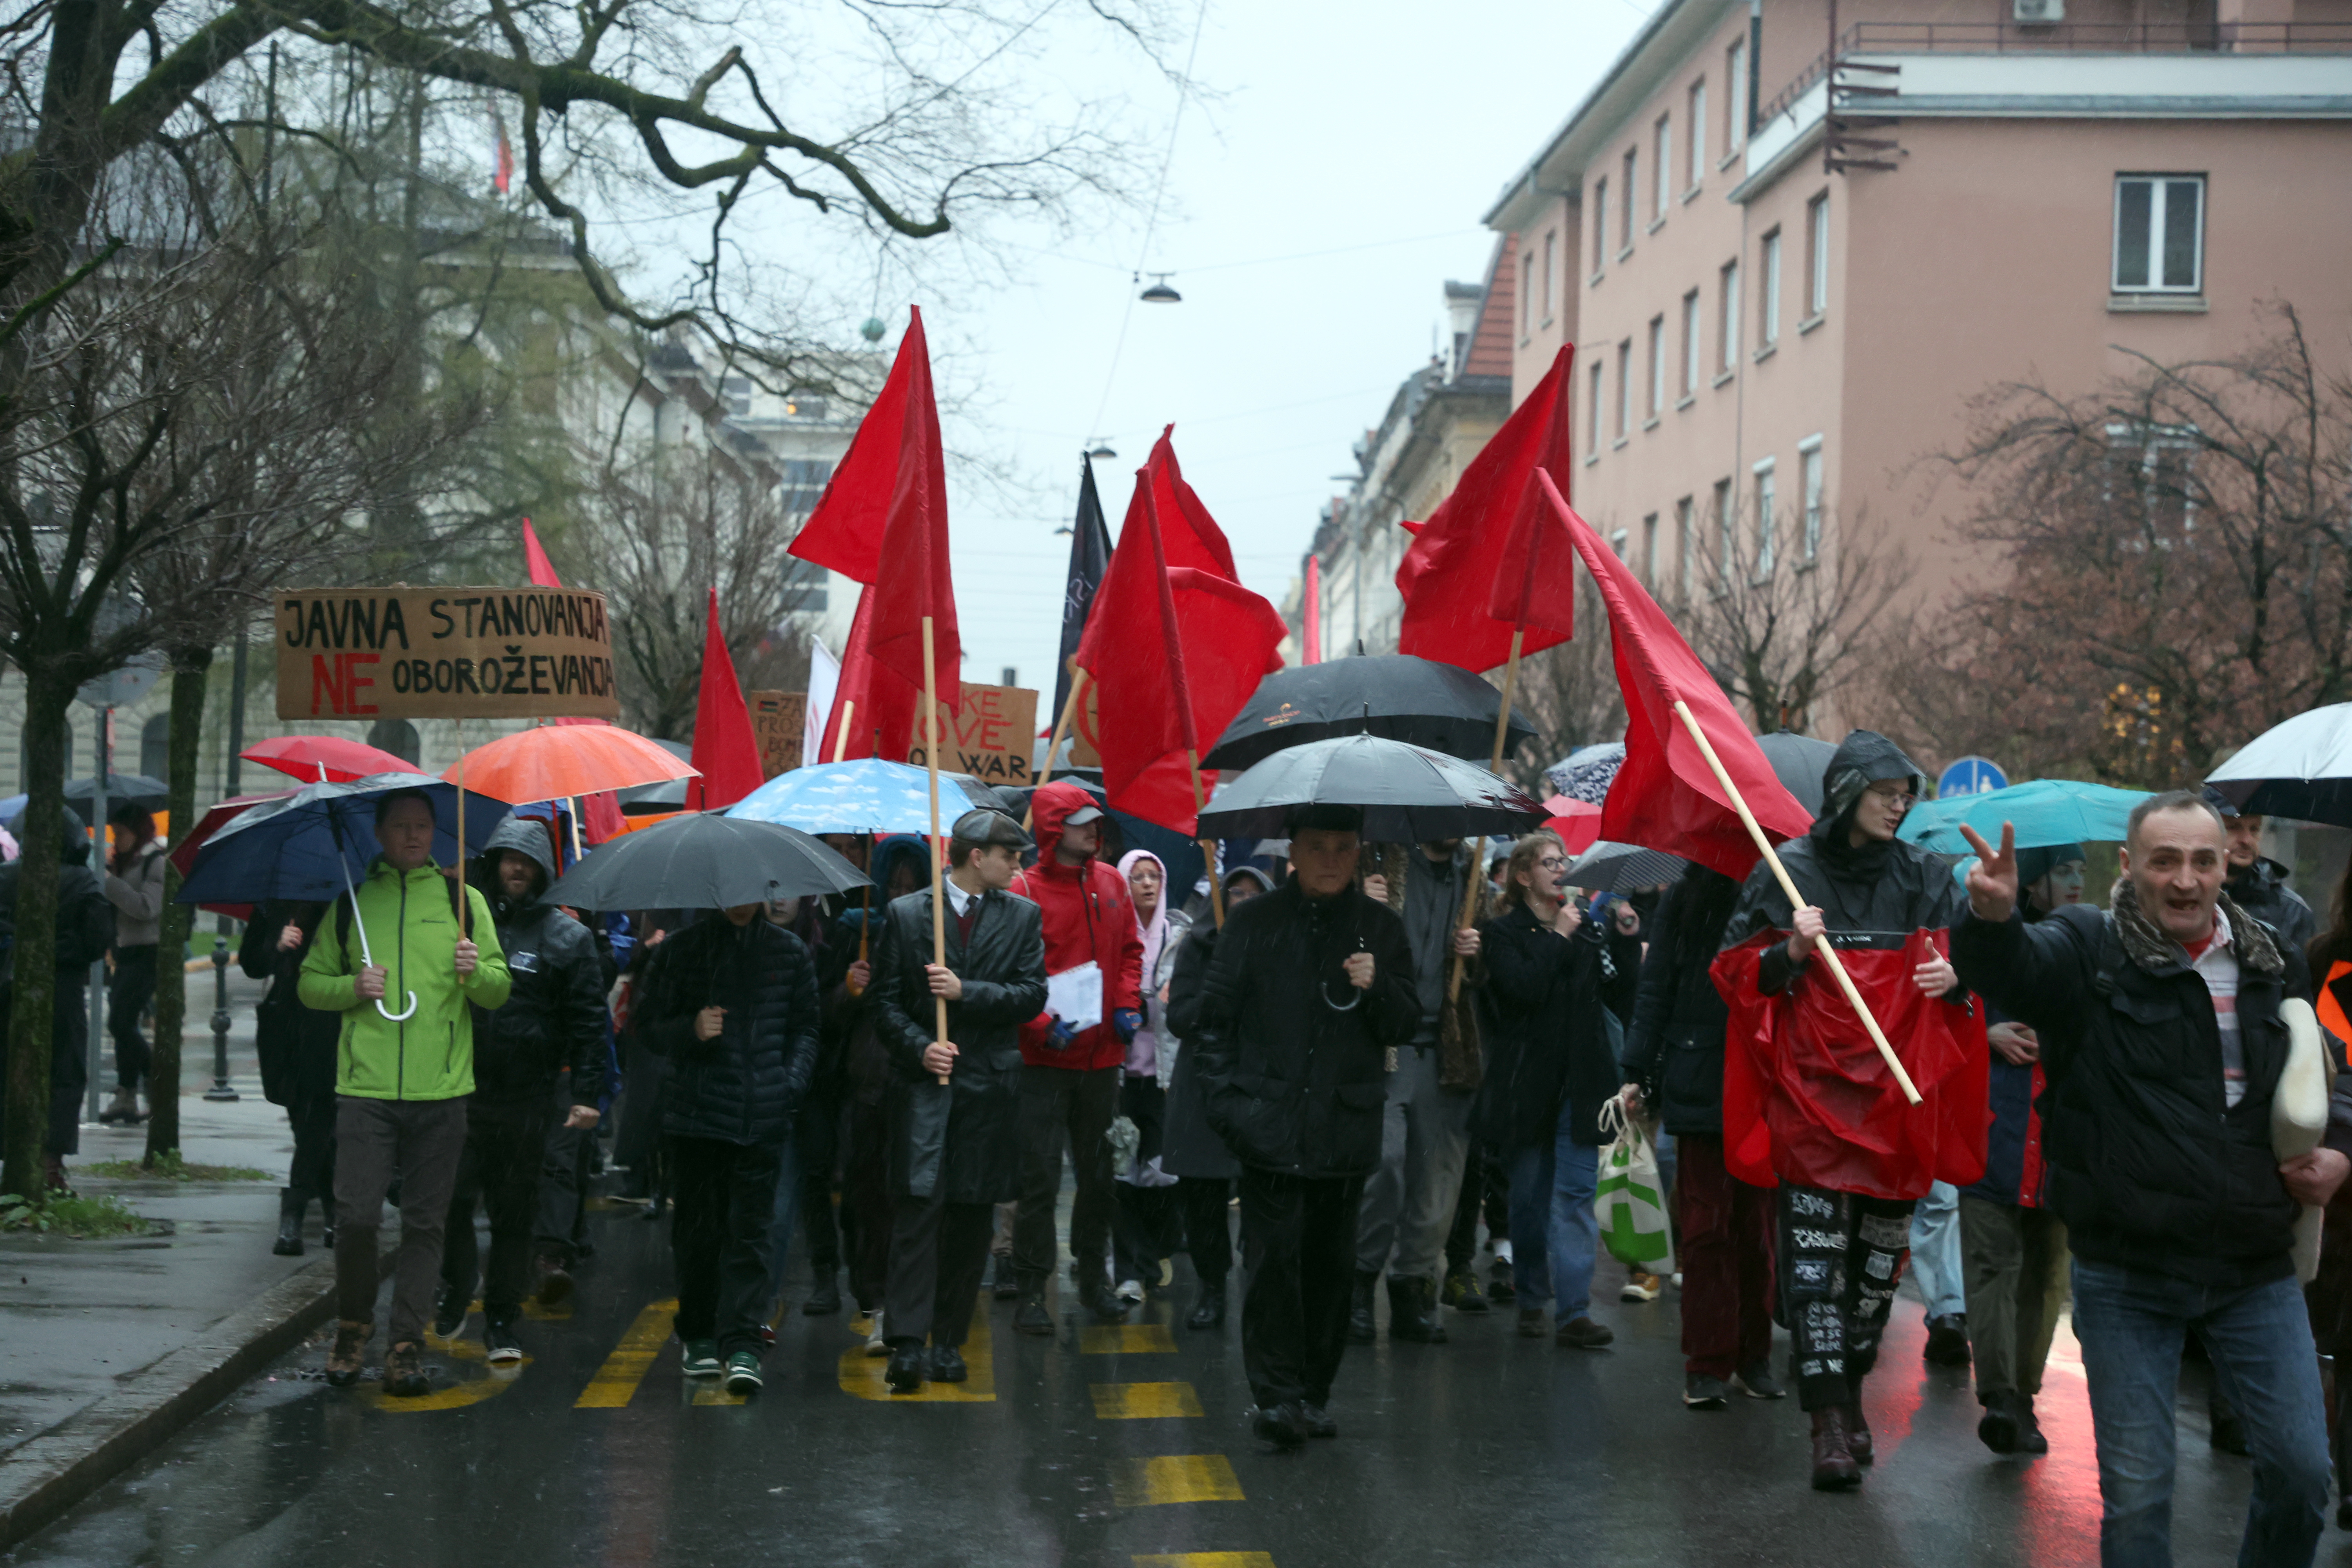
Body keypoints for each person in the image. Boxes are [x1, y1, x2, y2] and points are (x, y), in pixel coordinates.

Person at [1954, 793, 2345, 1565]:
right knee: (2138, 1499)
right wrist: (1991, 920)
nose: (2185, 880)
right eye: (2165, 861)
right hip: (2127, 1273)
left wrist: (2340, 1147)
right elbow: (2015, 971)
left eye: (2202, 861)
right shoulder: (2088, 945)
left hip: (2254, 1267)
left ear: (2225, 865)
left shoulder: (2273, 957)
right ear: (2130, 866)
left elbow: (2331, 1065)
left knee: (2303, 1476)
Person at [1717, 730, 1971, 1491]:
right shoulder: (1788, 872)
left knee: (1874, 1275)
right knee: (1814, 1267)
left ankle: (1853, 1387)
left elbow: (1976, 975)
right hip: (1812, 1103)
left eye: (1906, 795)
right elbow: (1735, 975)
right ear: (1847, 792)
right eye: (1887, 792)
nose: (1900, 806)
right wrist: (1788, 953)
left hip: (1897, 1107)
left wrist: (1957, 981)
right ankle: (1827, 1422)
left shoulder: (1928, 876)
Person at [1191, 804, 1417, 1448]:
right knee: (1271, 1265)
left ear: (1359, 852)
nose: (1331, 859)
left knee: (1329, 1268)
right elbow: (1214, 1022)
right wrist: (1230, 1108)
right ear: (1292, 852)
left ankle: (1315, 1391)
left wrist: (1377, 985)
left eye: (1343, 847)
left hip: (1345, 1129)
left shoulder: (1379, 927)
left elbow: (1406, 1023)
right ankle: (1277, 1394)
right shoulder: (1253, 922)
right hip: (1268, 1126)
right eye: (1317, 846)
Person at [299, 789, 511, 1398]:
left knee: (426, 1223)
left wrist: (476, 972)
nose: (413, 836)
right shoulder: (351, 905)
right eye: (401, 826)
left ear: (435, 832)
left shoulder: (462, 901)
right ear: (380, 833)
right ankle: (353, 1325)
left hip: (441, 1090)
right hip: (365, 1089)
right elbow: (310, 986)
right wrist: (352, 987)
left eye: (423, 826)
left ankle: (405, 1344)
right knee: (356, 1218)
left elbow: (499, 990)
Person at [871, 809, 1048, 1394]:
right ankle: (906, 1342)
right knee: (918, 1212)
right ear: (977, 856)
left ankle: (948, 1340)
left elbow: (1031, 995)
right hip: (924, 1088)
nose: (1018, 866)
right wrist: (920, 1048)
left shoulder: (1023, 916)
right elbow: (885, 1003)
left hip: (988, 1090)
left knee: (972, 1218)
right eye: (1010, 856)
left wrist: (965, 991)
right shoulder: (906, 914)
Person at [632, 888, 820, 1397]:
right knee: (699, 1233)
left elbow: (806, 1027)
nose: (742, 903)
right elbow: (646, 1026)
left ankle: (742, 1342)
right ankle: (698, 1333)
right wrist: (691, 1028)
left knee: (752, 1234)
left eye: (751, 893)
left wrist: (788, 1084)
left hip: (763, 1116)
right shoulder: (681, 950)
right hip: (697, 1117)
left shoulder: (788, 951)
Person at [433, 818, 607, 1362]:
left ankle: (503, 1318)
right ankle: (458, 1279)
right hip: (461, 1089)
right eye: (509, 858)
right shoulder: (460, 923)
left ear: (545, 870)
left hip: (529, 1096)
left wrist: (587, 1093)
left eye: (529, 861)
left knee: (514, 1215)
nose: (518, 869)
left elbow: (589, 1023)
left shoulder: (568, 938)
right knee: (448, 1198)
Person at [1621, 860, 1783, 1409]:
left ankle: (1753, 1356)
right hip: (1700, 1072)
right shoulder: (1687, 897)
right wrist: (1637, 1069)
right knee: (1707, 1227)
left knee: (1757, 1232)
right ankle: (1708, 1362)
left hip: (1762, 1076)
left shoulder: (1784, 887)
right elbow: (1657, 985)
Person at [1474, 832, 1639, 1351]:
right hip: (1527, 1084)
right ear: (1524, 876)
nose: (1561, 869)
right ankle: (1530, 1295)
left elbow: (1618, 996)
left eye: (1564, 861)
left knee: (1575, 1197)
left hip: (1581, 1083)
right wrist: (1559, 939)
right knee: (1528, 1199)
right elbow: (1522, 990)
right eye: (1549, 862)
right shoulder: (1502, 932)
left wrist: (1625, 938)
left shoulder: (1586, 927)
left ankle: (1573, 1312)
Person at [1956, 840, 2083, 1456]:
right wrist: (1984, 1033)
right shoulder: (1985, 943)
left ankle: (2024, 1398)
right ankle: (2000, 1398)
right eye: (2063, 870)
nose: (2077, 880)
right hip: (1992, 1132)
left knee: (2046, 1276)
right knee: (1992, 1268)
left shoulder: (2088, 948)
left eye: (2082, 869)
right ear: (2033, 882)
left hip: (2061, 1142)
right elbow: (1937, 1014)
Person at [1008, 781, 1143, 1330]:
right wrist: (1042, 1027)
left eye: (1095, 819)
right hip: (1043, 1065)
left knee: (1100, 1180)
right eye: (1081, 820)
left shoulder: (1112, 882)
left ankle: (1094, 1282)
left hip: (1102, 1062)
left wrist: (1127, 1004)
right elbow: (1010, 975)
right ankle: (1032, 1293)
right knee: (1039, 1183)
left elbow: (1131, 951)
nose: (1094, 828)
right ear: (1052, 828)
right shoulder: (1022, 891)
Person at [1349, 839, 1488, 1346]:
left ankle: (1412, 1288)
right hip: (1387, 1045)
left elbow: (1488, 976)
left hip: (1446, 1051)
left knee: (1438, 1180)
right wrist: (1361, 907)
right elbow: (1335, 946)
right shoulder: (1377, 861)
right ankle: (1358, 1284)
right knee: (1383, 1165)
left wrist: (1476, 954)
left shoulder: (1475, 877)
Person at [1162, 864, 1275, 1330]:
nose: (1245, 902)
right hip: (1204, 1084)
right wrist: (1217, 996)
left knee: (1264, 1196)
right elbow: (1179, 1016)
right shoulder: (1197, 944)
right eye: (1237, 893)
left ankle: (1261, 1288)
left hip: (1260, 1087)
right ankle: (1212, 1286)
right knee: (1203, 1197)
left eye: (1255, 894)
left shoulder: (1279, 947)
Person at [839, 835, 932, 1350]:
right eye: (894, 885)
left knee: (914, 1200)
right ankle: (874, 1298)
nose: (901, 895)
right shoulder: (856, 931)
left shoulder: (936, 935)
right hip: (869, 1085)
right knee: (870, 1199)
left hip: (918, 1081)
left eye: (911, 886)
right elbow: (820, 1013)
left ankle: (909, 1301)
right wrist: (848, 990)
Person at [0, 808, 115, 1192]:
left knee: (11, 1067)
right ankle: (51, 1161)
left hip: (10, 987)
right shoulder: (84, 881)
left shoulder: (7, 877)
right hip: (64, 988)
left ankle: (15, 1154)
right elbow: (98, 938)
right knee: (66, 1071)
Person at [1111, 849, 1189, 1303]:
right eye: (1137, 876)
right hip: (1121, 1079)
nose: (1146, 883)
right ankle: (1128, 1269)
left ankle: (1154, 1252)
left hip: (1164, 1078)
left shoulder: (1180, 937)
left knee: (1161, 1176)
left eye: (1153, 876)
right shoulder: (1113, 933)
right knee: (1122, 1174)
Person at [243, 901, 341, 1256]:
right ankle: (333, 1211)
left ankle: (294, 1214)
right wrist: (277, 944)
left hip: (328, 1021)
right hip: (284, 1024)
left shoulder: (344, 903)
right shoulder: (272, 905)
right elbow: (251, 963)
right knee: (306, 1121)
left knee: (318, 1115)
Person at [98, 804, 167, 1125]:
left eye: (121, 833)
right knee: (123, 1024)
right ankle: (126, 1094)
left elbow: (146, 908)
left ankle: (157, 1082)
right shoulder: (125, 863)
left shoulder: (156, 861)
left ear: (137, 832)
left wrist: (110, 883)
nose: (117, 839)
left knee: (121, 1023)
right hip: (127, 952)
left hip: (148, 952)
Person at [2205, 787, 2318, 955]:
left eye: (2254, 829)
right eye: (2233, 828)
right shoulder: (2185, 895)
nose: (2247, 840)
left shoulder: (2292, 911)